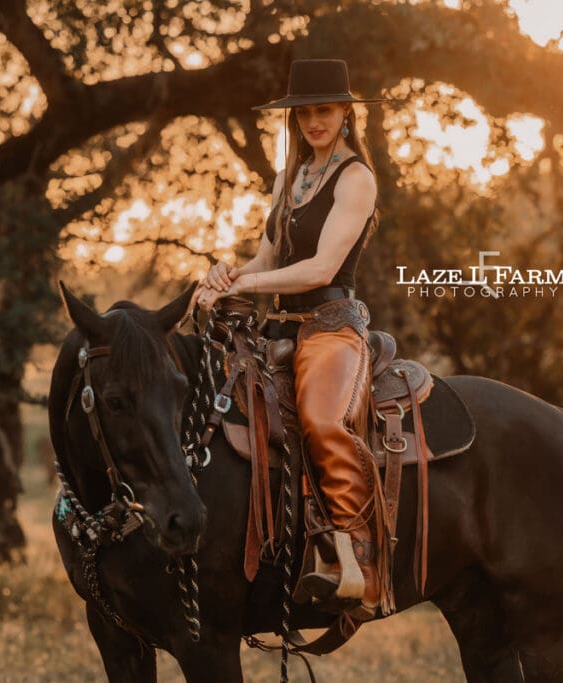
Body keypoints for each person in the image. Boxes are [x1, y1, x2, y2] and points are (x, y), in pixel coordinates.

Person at [190, 58, 386, 619]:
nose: (313, 123)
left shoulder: (357, 178)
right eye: (304, 114)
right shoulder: (288, 178)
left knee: (324, 422)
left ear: (346, 112)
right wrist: (231, 274)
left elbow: (322, 269)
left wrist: (250, 284)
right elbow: (270, 258)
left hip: (331, 327)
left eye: (324, 111)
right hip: (278, 329)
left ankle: (358, 561)